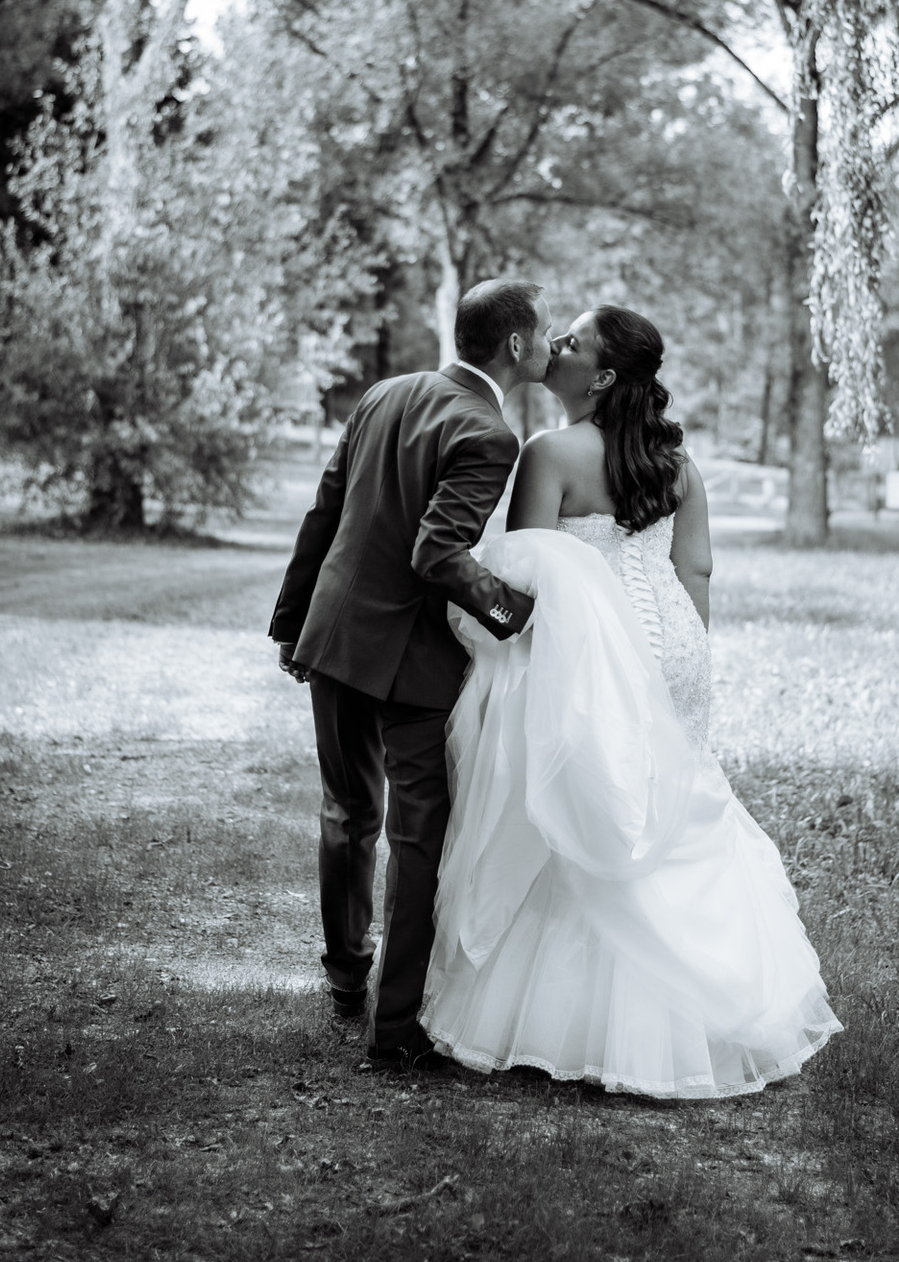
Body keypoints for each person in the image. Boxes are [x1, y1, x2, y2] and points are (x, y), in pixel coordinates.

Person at [416, 305, 842, 1098]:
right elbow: (699, 571)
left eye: (574, 342)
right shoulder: (676, 463)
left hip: (596, 657)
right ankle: (701, 1006)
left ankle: (568, 1017)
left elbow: (524, 574)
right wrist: (686, 668)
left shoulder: (550, 453)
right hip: (676, 646)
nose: (558, 346)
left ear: (603, 376)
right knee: (665, 803)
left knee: (581, 808)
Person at [268, 278, 553, 1068]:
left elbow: (324, 511)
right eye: (546, 330)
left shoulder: (386, 392)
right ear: (517, 345)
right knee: (416, 836)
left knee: (346, 811)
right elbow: (438, 553)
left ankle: (345, 979)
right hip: (412, 662)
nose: (551, 341)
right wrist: (514, 613)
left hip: (334, 637)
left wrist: (294, 623)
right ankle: (393, 1032)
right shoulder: (489, 434)